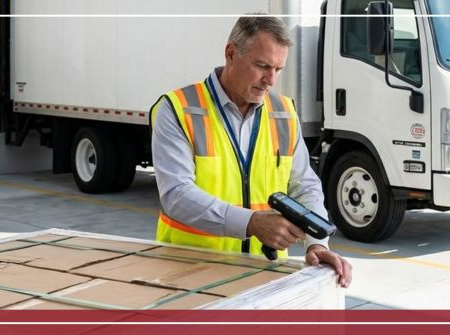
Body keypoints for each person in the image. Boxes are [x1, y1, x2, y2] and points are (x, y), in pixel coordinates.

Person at [150, 15, 351, 287]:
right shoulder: (178, 108)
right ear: (231, 53)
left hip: (262, 275)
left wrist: (316, 243)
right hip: (191, 272)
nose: (271, 80)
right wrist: (251, 223)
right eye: (262, 66)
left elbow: (305, 185)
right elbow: (176, 195)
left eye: (278, 69)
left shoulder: (283, 112)